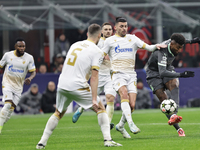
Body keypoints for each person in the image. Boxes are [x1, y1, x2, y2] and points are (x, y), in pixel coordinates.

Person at [36, 24, 122, 149]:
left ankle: (41, 143)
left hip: (62, 83)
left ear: (87, 34)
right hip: (77, 85)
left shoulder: (74, 45)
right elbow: (94, 77)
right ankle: (108, 140)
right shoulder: (97, 51)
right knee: (101, 109)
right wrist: (94, 98)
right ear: (99, 35)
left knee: (58, 112)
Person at [102, 17, 166, 138]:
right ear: (115, 27)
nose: (124, 28)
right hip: (117, 74)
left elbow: (148, 47)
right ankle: (131, 123)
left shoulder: (133, 38)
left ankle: (120, 125)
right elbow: (101, 55)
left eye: (125, 26)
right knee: (124, 94)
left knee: (131, 106)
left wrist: (157, 46)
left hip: (131, 75)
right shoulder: (110, 41)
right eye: (121, 26)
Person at [146, 33, 195, 137]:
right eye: (178, 48)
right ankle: (179, 129)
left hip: (167, 67)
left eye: (181, 47)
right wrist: (181, 74)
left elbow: (183, 41)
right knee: (163, 98)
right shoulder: (162, 52)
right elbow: (162, 73)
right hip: (153, 73)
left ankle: (174, 115)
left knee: (174, 84)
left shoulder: (174, 41)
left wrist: (194, 40)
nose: (179, 50)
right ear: (171, 44)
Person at [72, 22, 117, 130]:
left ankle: (107, 124)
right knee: (91, 98)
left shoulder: (116, 42)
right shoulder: (97, 42)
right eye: (105, 29)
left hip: (111, 75)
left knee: (110, 98)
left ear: (112, 31)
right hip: (98, 75)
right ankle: (80, 110)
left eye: (109, 29)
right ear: (101, 32)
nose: (108, 31)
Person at [0, 37, 36, 133]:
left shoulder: (29, 58)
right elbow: (0, 65)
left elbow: (33, 72)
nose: (22, 48)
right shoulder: (7, 55)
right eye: (20, 46)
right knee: (7, 104)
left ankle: (1, 123)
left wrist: (30, 78)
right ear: (15, 46)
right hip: (7, 83)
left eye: (23, 46)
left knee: (9, 113)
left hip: (19, 87)